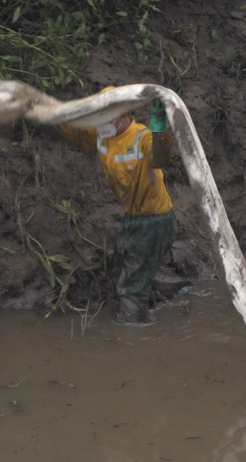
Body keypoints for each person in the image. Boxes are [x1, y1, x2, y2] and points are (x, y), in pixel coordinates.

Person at [51, 87, 187, 326]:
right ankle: (171, 289)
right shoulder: (102, 135)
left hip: (156, 220)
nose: (102, 121)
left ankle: (134, 324)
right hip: (133, 217)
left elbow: (161, 157)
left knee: (131, 283)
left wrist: (158, 129)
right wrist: (52, 115)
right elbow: (74, 135)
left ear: (126, 114)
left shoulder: (141, 137)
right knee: (125, 260)